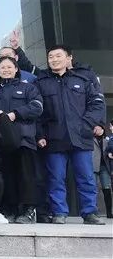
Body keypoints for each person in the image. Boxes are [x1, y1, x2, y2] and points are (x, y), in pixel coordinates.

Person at [35, 45, 105, 225]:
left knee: (86, 177)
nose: (54, 59)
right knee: (56, 177)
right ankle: (59, 212)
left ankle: (90, 212)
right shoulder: (41, 82)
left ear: (68, 58)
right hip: (53, 138)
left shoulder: (82, 80)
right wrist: (40, 134)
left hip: (80, 136)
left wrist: (86, 125)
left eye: (58, 56)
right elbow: (37, 112)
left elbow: (97, 104)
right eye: (51, 57)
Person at [0, 57, 43, 223]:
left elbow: (37, 107)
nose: (6, 70)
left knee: (26, 176)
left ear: (16, 69)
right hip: (0, 140)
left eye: (9, 67)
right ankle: (9, 209)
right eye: (2, 67)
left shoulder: (28, 88)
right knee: (6, 175)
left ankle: (28, 210)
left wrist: (16, 114)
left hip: (24, 139)